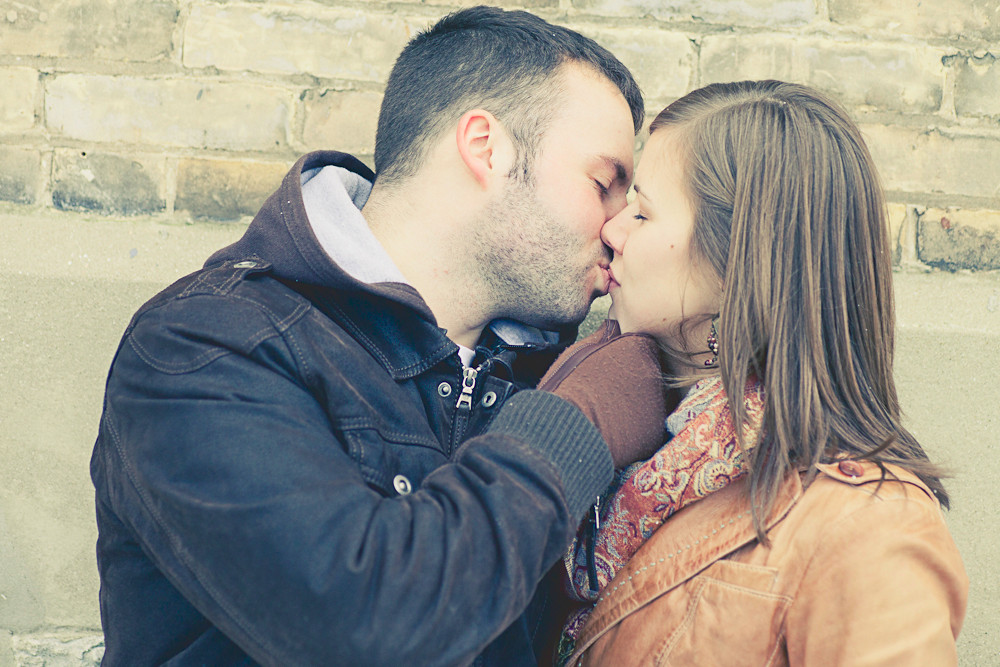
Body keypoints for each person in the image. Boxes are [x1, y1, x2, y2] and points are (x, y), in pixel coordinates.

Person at [89, 6, 670, 666]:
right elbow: (362, 626)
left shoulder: (552, 366)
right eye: (603, 184)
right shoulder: (202, 344)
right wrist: (574, 425)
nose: (619, 227)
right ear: (487, 147)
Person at [545, 81, 969, 666]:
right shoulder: (617, 429)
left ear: (736, 263)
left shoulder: (867, 529)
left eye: (642, 212)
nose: (613, 232)